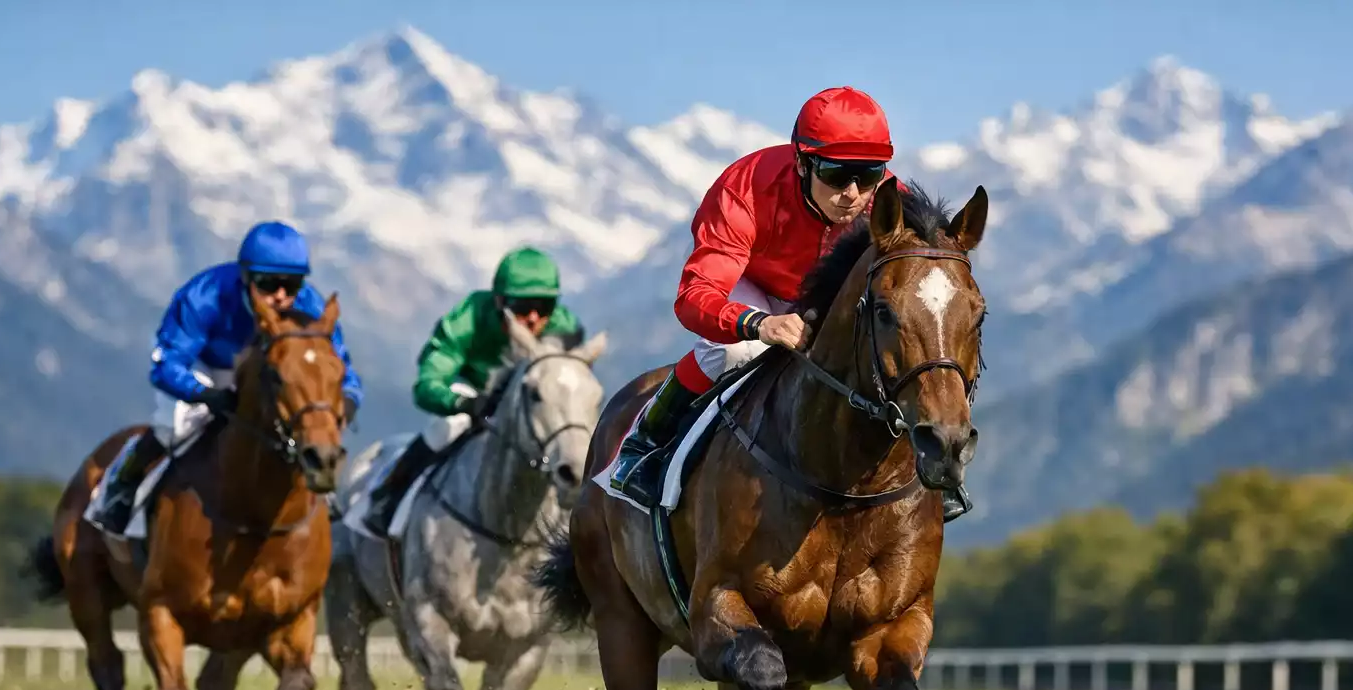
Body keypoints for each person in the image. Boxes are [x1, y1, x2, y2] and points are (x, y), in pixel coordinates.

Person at [605, 86, 972, 521]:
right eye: (836, 174)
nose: (853, 193)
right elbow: (693, 299)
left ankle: (934, 459)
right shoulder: (744, 191)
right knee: (733, 352)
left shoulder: (889, 199)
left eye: (869, 174)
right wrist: (759, 323)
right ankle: (646, 442)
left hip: (821, 292)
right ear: (802, 161)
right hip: (748, 281)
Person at [95, 221, 364, 535]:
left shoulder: (312, 307)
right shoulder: (205, 296)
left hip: (272, 377)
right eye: (268, 284)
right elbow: (166, 364)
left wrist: (342, 406)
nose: (280, 296)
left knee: (302, 429)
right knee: (174, 426)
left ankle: (322, 495)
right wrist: (205, 394)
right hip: (206, 367)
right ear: (245, 276)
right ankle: (125, 482)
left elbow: (341, 371)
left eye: (291, 285)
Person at [359, 246, 587, 537]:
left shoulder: (565, 326)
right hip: (472, 391)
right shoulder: (468, 318)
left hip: (528, 401)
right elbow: (427, 384)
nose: (533, 318)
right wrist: (462, 403)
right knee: (446, 427)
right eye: (521, 307)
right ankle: (388, 496)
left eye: (544, 307)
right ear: (499, 301)